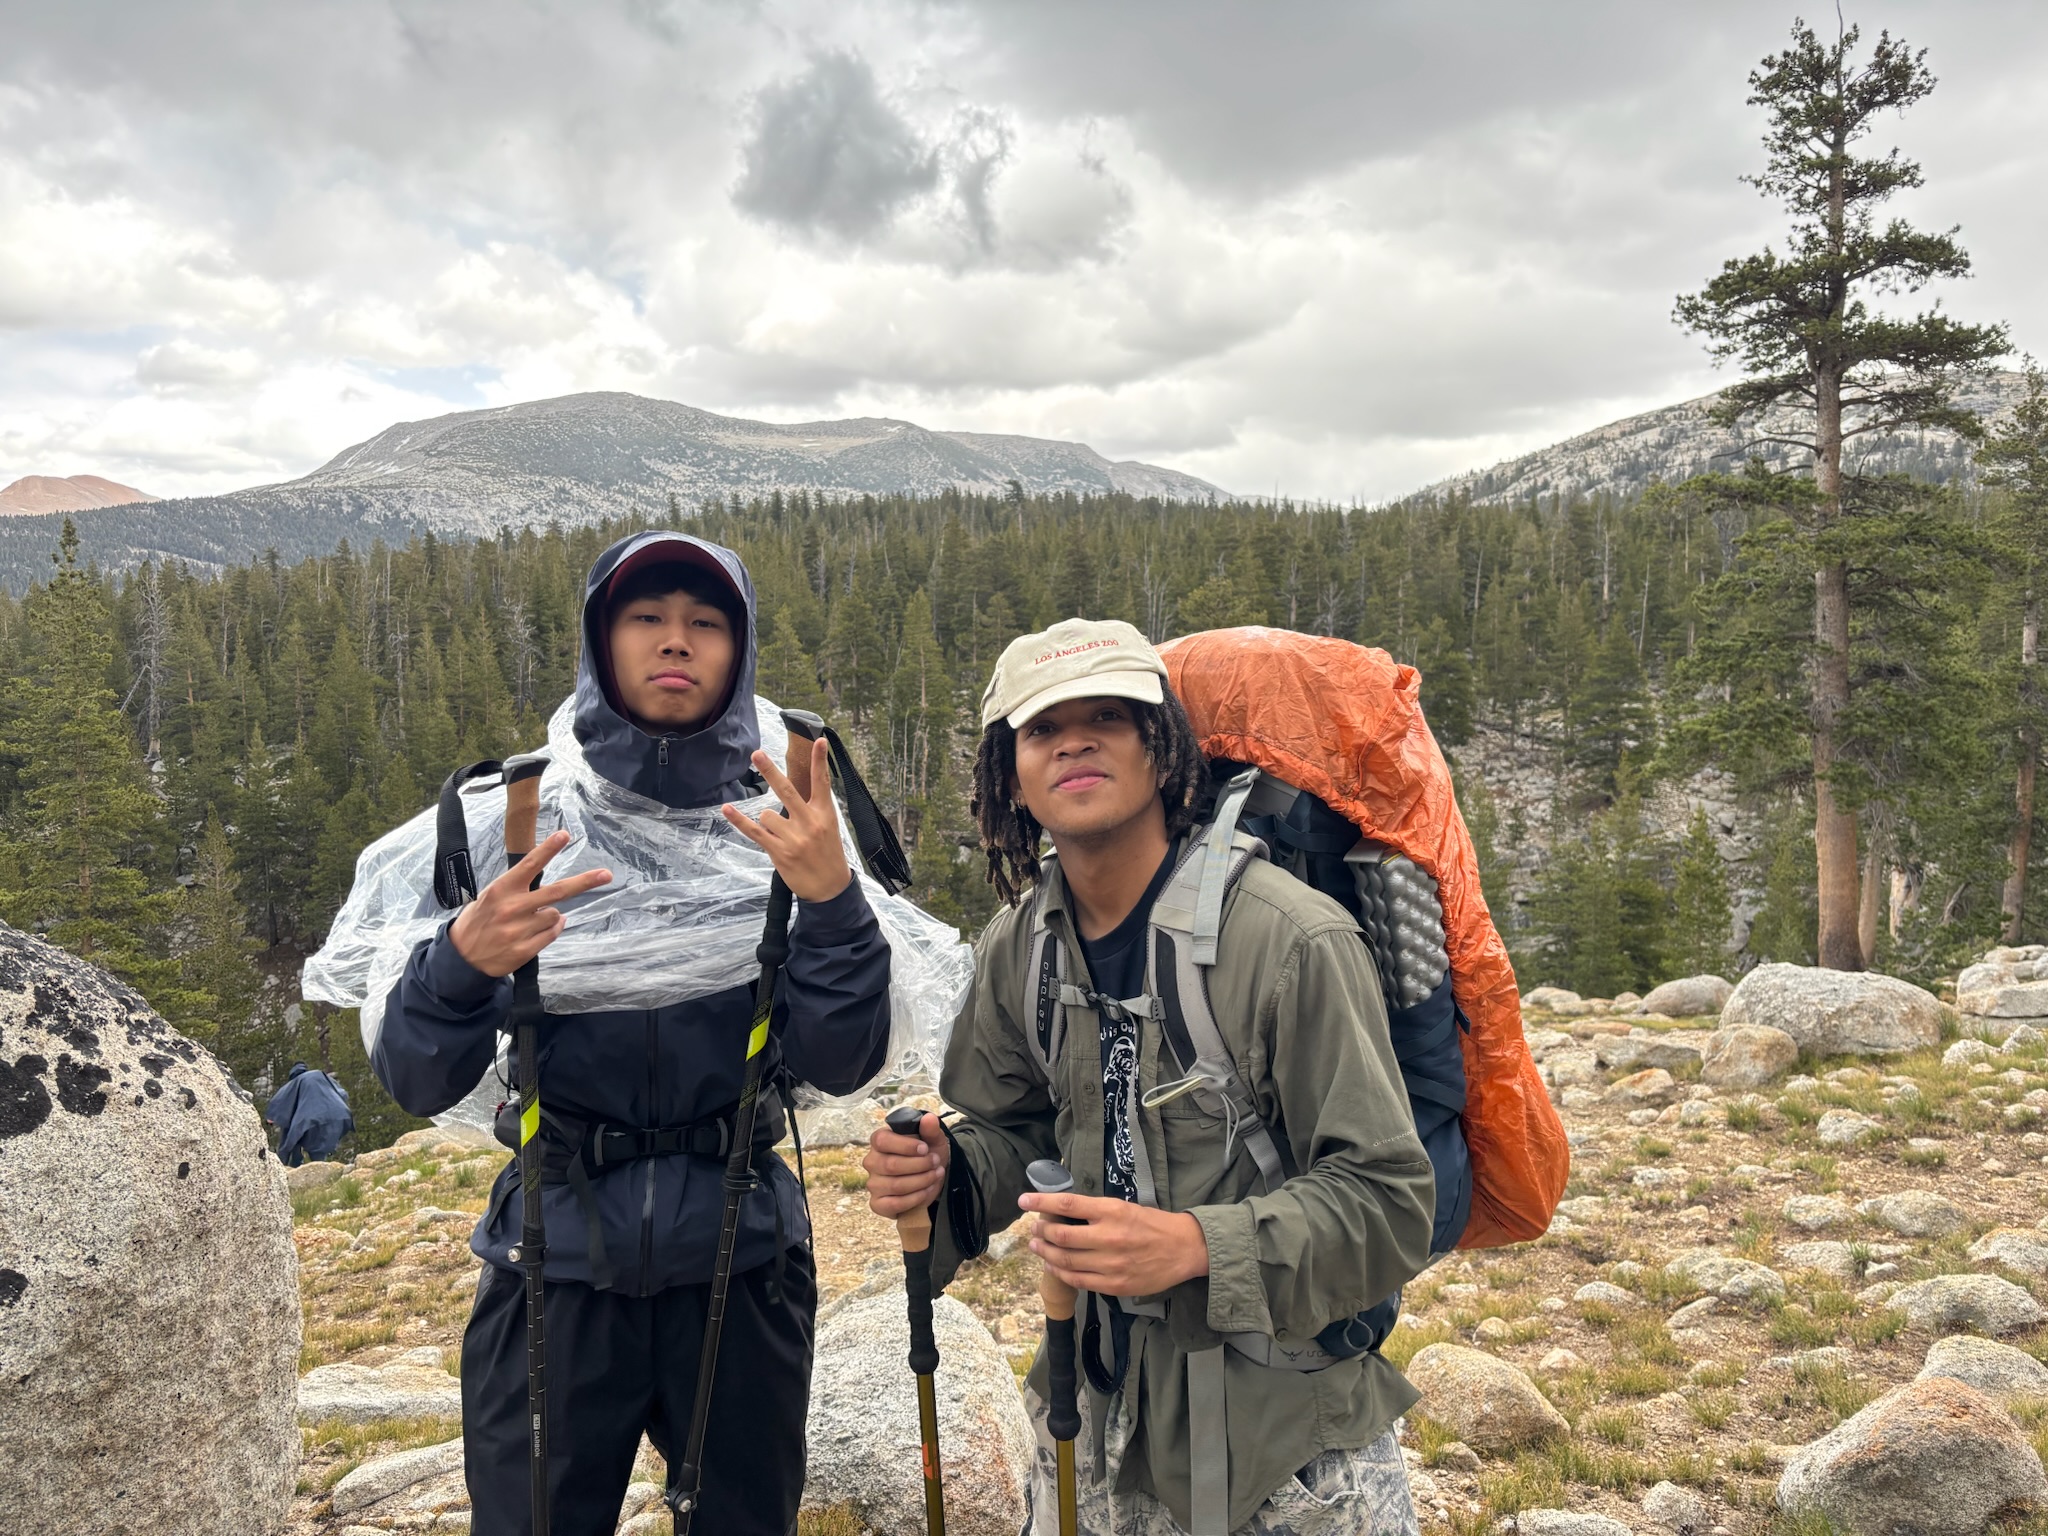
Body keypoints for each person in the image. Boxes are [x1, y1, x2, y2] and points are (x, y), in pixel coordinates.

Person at [367, 531, 895, 1536]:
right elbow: (417, 1077)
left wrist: (832, 905)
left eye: (706, 622)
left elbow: (843, 1060)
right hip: (553, 1266)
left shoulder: (787, 828)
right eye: (646, 617)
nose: (675, 641)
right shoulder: (516, 821)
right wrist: (459, 961)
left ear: (739, 650)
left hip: (742, 1263)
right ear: (599, 642)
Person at [864, 618, 1436, 1536]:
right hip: (1093, 1414)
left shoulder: (1289, 940)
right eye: (1043, 729)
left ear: (1162, 747)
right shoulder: (1022, 945)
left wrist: (1197, 1247)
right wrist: (948, 1173)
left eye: (1108, 718)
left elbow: (1391, 1199)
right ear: (1010, 773)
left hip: (1286, 1446)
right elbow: (1023, 1135)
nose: (1074, 743)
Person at [265, 1061, 354, 1165]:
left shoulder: (294, 1083)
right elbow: (343, 1094)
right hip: (340, 1115)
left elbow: (277, 1102)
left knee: (295, 1138)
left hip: (310, 1120)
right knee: (320, 1150)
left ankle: (291, 1167)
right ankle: (321, 1166)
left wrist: (271, 1117)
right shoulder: (321, 1076)